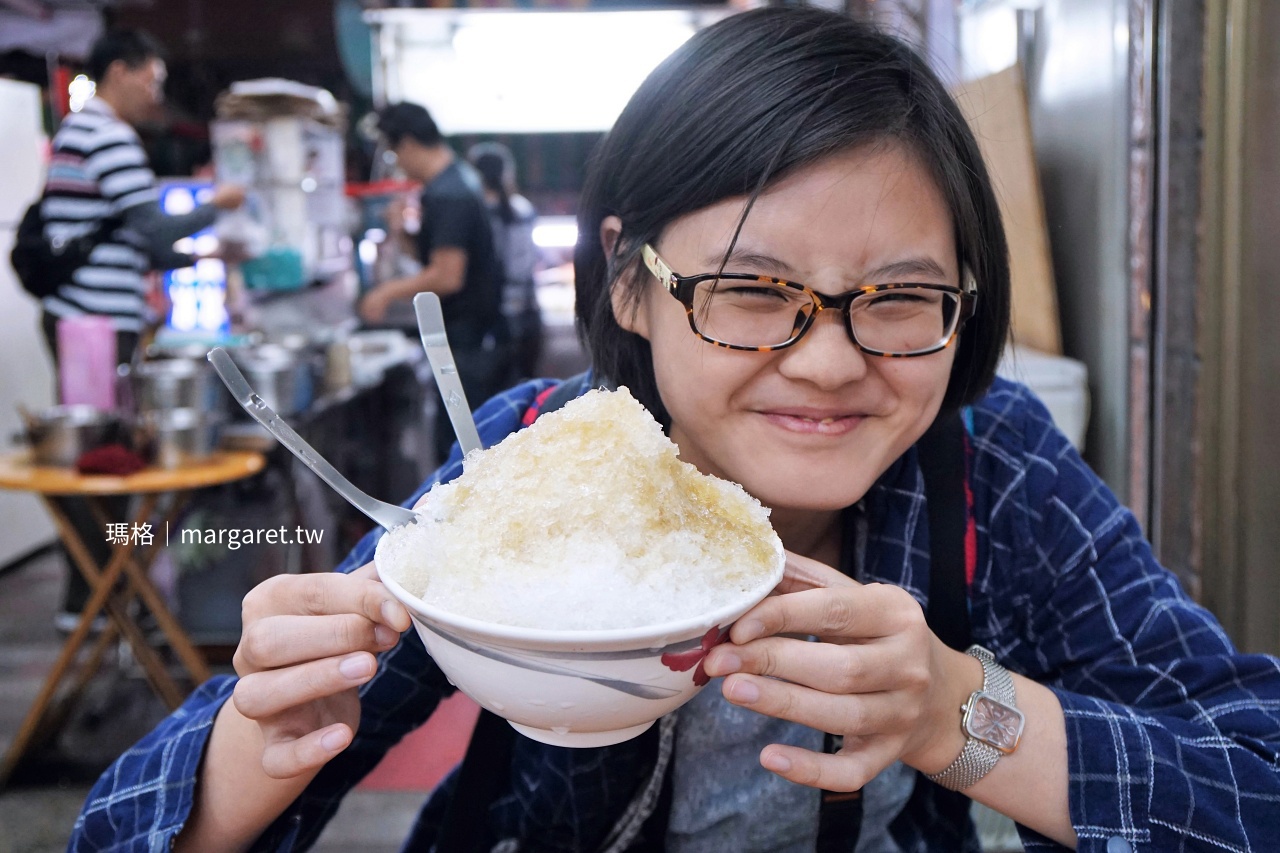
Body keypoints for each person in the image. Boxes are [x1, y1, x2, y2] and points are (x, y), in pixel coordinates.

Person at [71, 9, 1280, 851]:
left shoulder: (989, 461)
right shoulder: (526, 456)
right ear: (630, 284)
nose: (825, 358)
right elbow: (123, 827)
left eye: (901, 297)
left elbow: (1252, 783)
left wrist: (947, 710)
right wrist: (261, 736)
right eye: (751, 289)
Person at [39, 28, 244, 630]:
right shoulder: (106, 134)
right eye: (151, 80)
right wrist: (219, 203)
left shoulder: (83, 134)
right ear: (120, 71)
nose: (155, 96)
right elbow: (154, 234)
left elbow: (138, 246)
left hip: (89, 322)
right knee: (98, 460)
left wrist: (206, 259)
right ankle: (93, 601)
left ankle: (107, 592)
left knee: (106, 456)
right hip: (93, 327)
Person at [359, 103, 512, 464]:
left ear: (409, 143)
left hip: (470, 346)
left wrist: (384, 293)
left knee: (465, 455)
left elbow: (447, 275)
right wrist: (401, 232)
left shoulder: (449, 193)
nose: (398, 164)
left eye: (395, 153)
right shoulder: (454, 181)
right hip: (478, 339)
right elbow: (437, 259)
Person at [469, 141, 544, 381]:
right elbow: (531, 259)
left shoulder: (474, 212)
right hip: (527, 314)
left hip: (491, 322)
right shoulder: (522, 209)